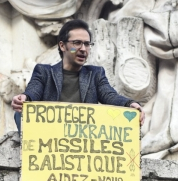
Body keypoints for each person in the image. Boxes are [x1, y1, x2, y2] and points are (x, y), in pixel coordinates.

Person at [11, 19, 145, 131]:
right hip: (50, 137)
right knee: (20, 114)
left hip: (82, 140)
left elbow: (109, 95)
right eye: (77, 43)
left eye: (87, 44)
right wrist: (25, 98)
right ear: (63, 46)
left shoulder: (96, 74)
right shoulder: (44, 71)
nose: (83, 49)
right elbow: (34, 90)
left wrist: (130, 103)